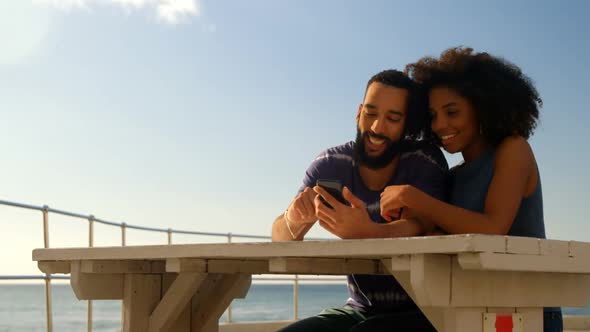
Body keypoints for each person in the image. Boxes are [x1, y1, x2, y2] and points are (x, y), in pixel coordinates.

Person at [378, 47, 562, 331]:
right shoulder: (454, 176)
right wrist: (416, 218)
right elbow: (445, 231)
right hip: (472, 309)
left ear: (483, 108)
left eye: (452, 112)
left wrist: (418, 199)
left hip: (525, 314)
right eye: (433, 116)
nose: (440, 125)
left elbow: (492, 227)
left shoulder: (513, 150)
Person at [271, 69, 448, 331]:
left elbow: (421, 225)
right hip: (359, 309)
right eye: (371, 113)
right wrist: (293, 219)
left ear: (406, 125)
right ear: (358, 113)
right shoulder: (330, 164)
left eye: (392, 118)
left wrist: (369, 232)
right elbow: (279, 237)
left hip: (425, 312)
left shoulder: (424, 160)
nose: (377, 127)